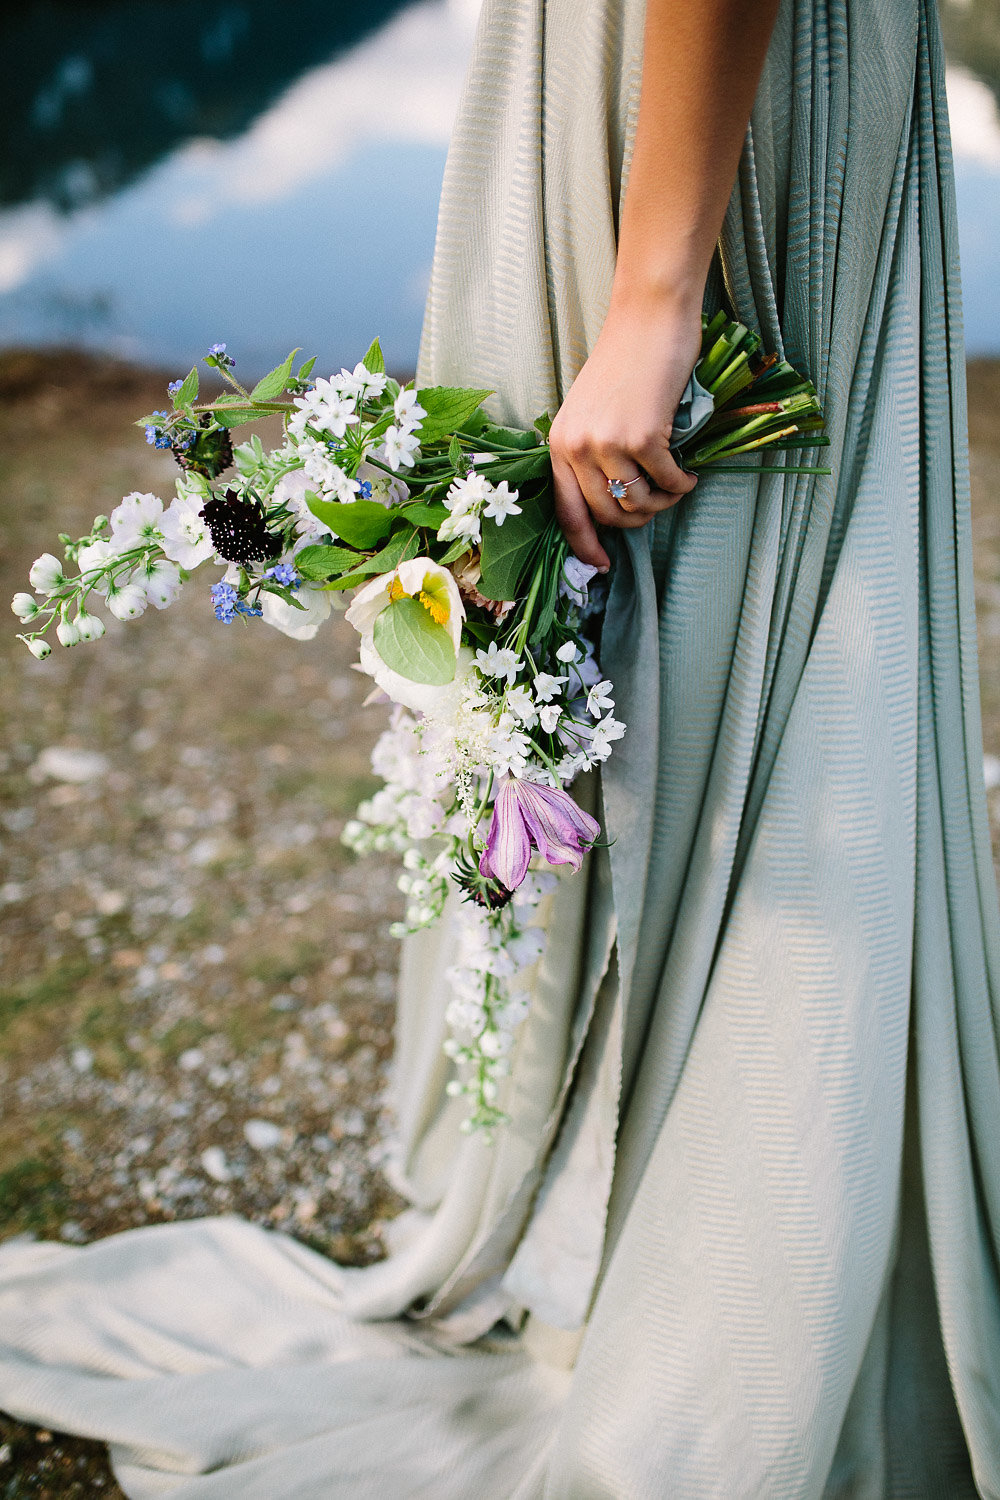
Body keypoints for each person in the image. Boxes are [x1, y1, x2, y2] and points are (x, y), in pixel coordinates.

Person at [1, 0, 998, 1494]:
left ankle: (754, 1221)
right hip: (644, 72)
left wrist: (655, 296)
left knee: (727, 600)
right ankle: (652, 1195)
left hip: (700, 95)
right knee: (624, 630)